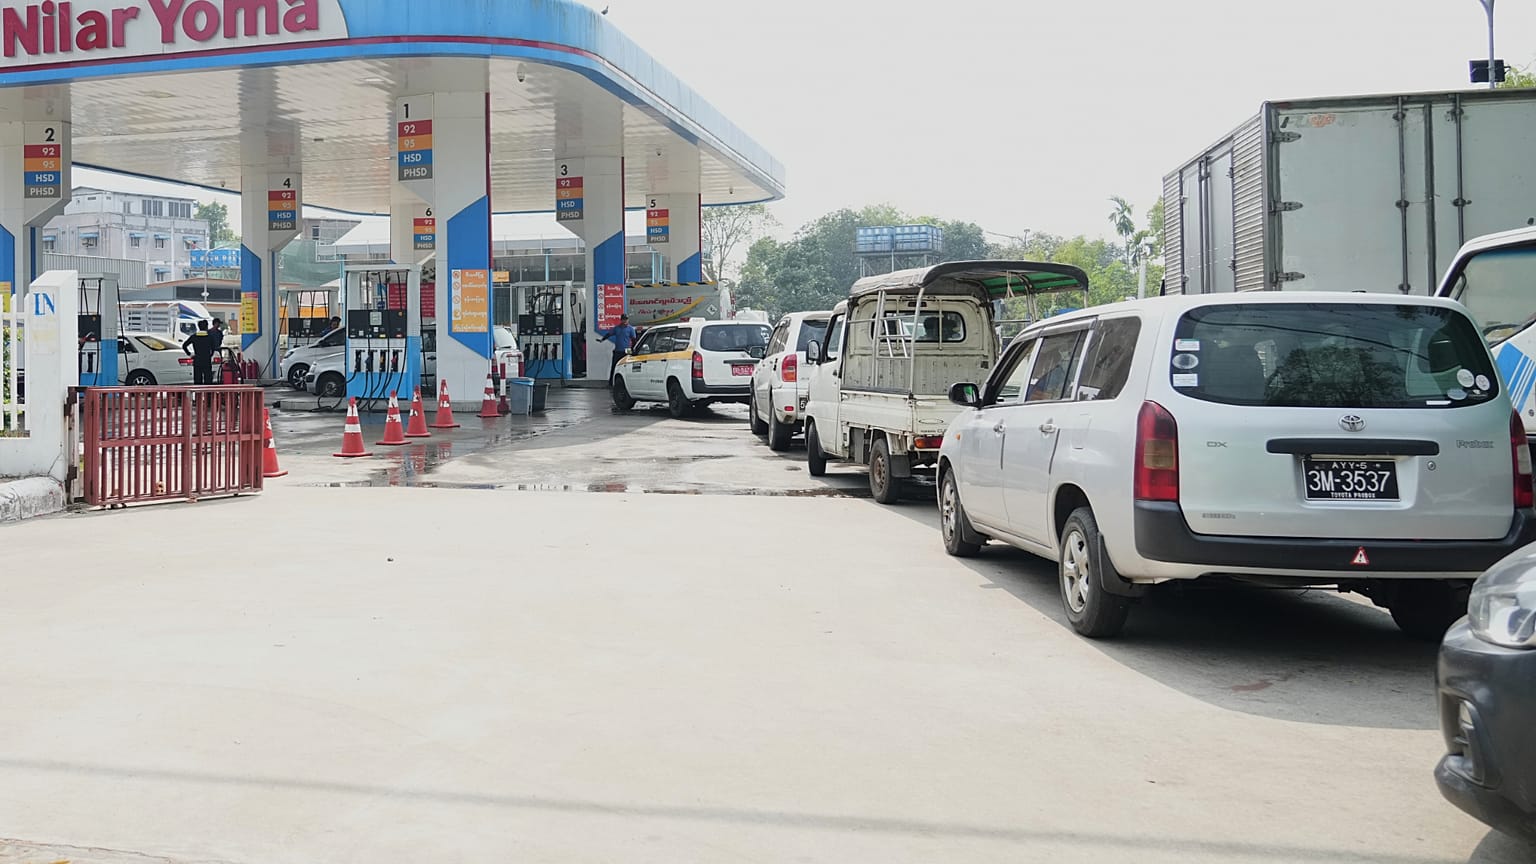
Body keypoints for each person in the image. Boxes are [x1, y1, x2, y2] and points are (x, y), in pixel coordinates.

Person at [596, 314, 638, 384]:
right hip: (617, 351)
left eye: (626, 319)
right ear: (621, 320)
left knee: (626, 367)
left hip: (626, 352)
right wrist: (602, 339)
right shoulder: (617, 328)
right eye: (624, 319)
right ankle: (611, 382)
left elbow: (634, 340)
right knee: (614, 366)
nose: (625, 321)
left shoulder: (630, 329)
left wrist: (633, 350)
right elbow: (609, 334)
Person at [183, 319, 218, 385]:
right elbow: (213, 348)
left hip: (197, 360)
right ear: (206, 327)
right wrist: (210, 355)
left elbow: (184, 345)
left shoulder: (194, 337)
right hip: (206, 360)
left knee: (197, 380)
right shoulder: (210, 337)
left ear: (199, 327)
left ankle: (198, 394)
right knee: (208, 380)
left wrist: (190, 354)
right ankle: (208, 394)